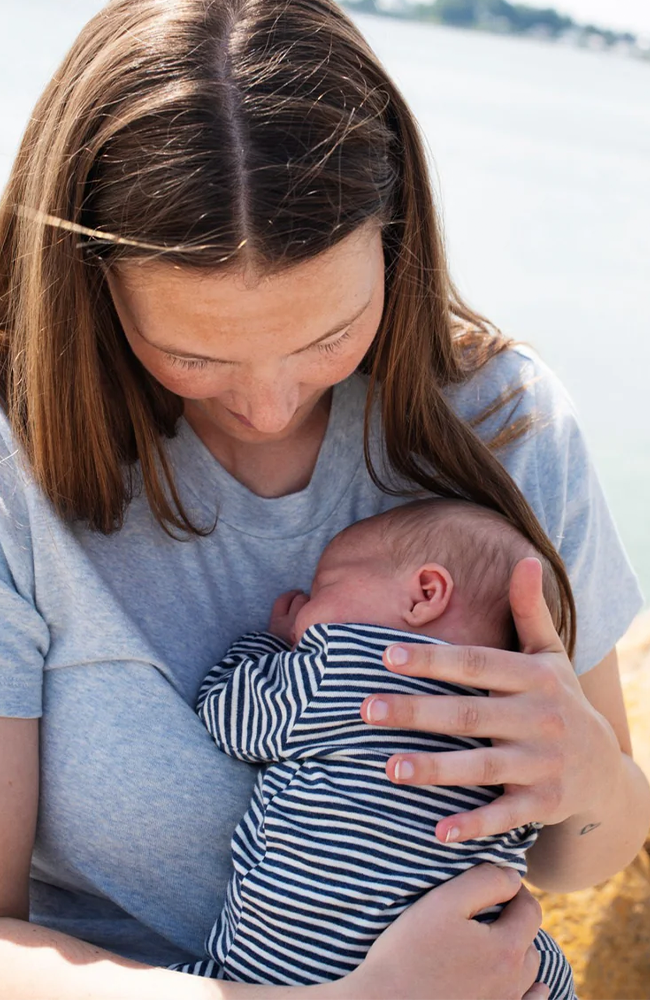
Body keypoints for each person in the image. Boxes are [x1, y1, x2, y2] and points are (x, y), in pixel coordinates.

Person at [0, 0, 647, 997]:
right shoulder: (16, 454)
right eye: (194, 354)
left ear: (395, 240)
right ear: (89, 285)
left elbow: (577, 856)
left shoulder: (505, 424)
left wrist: (587, 773)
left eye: (325, 337)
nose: (266, 406)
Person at [171, 499, 575, 999]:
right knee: (543, 967)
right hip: (476, 954)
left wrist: (269, 647)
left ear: (425, 594)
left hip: (291, 964)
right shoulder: (520, 721)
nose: (303, 610)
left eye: (324, 589)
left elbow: (229, 717)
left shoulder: (344, 665)